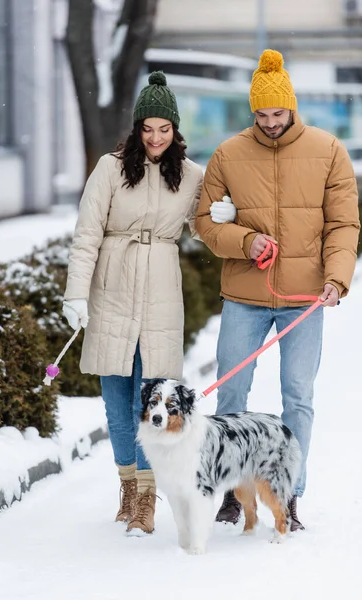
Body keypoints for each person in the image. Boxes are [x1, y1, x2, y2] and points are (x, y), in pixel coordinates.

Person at [195, 49, 360, 531]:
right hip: (245, 296)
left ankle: (289, 494)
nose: (270, 122)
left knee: (298, 396)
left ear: (292, 107)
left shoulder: (328, 150)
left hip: (304, 301)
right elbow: (205, 222)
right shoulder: (228, 154)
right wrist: (246, 241)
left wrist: (337, 278)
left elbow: (344, 223)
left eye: (278, 113)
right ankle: (230, 491)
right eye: (261, 114)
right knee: (232, 394)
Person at [62, 71, 205, 536]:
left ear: (175, 130)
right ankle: (127, 485)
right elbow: (87, 235)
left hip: (161, 289)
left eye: (165, 129)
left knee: (153, 398)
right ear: (137, 127)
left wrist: (221, 215)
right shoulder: (110, 167)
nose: (156, 137)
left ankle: (147, 496)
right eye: (149, 128)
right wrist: (76, 294)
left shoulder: (191, 176)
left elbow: (205, 231)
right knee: (117, 397)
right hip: (113, 286)